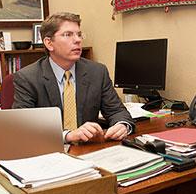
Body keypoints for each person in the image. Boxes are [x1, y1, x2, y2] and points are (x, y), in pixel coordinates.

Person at [13, 12, 134, 143]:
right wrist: (68, 136)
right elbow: (23, 128)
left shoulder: (97, 72)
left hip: (88, 150)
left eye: (79, 34)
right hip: (49, 151)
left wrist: (122, 125)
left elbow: (117, 111)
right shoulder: (28, 78)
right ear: (49, 43)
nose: (77, 40)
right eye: (68, 35)